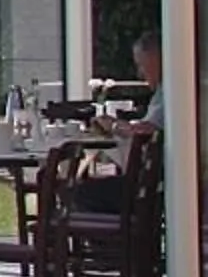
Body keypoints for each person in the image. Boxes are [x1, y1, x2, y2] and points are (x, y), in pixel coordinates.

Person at [68, 31, 164, 215]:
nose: (140, 73)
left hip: (155, 186)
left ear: (156, 59)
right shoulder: (164, 92)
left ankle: (114, 241)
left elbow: (148, 131)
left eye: (142, 65)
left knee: (79, 193)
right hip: (153, 181)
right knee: (86, 190)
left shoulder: (173, 93)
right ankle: (116, 240)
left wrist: (114, 126)